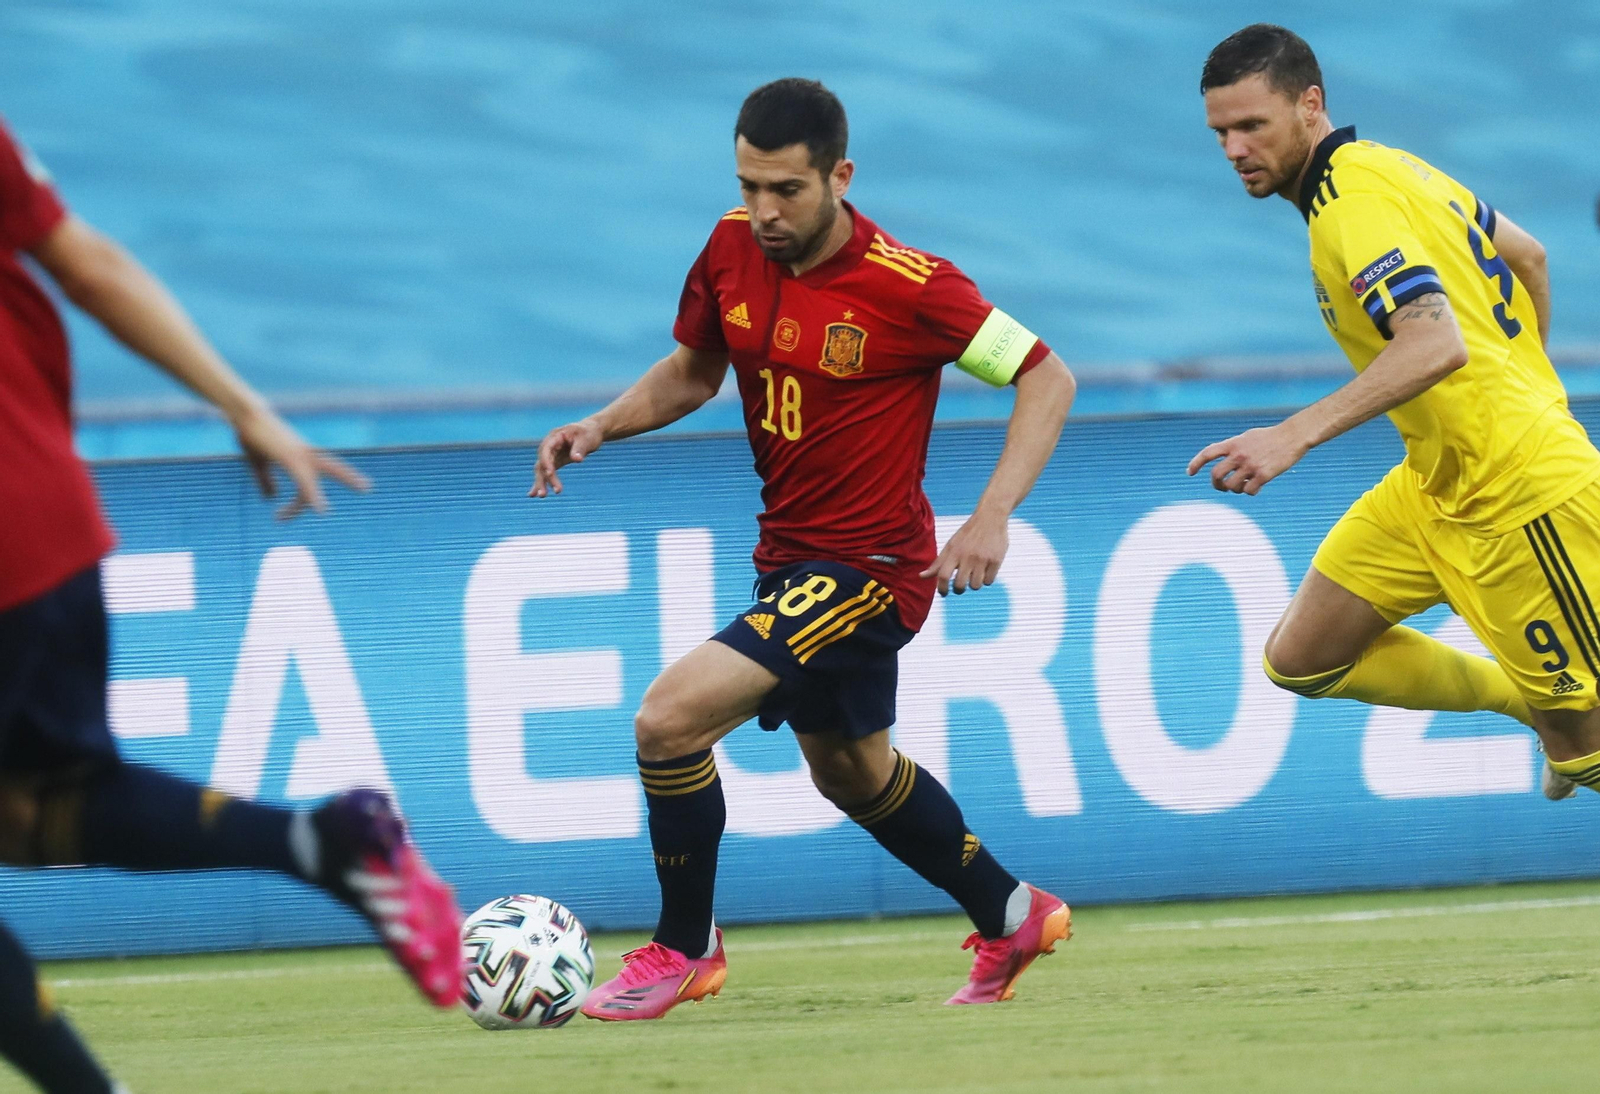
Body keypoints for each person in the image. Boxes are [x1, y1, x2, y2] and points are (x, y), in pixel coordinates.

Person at [532, 78, 1077, 1018]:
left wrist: (991, 517)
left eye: (785, 189)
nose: (763, 211)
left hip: (869, 571)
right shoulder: (728, 250)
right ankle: (1012, 910)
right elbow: (695, 373)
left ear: (840, 177)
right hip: (787, 559)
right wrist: (602, 426)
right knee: (852, 771)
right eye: (748, 186)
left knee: (667, 721)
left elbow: (1046, 377)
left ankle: (682, 948)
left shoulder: (914, 287)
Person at [0, 115, 462, 1093]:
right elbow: (90, 267)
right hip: (49, 518)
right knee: (41, 810)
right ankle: (318, 841)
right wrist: (243, 401)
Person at [1190, 24, 1600, 802]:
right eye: (1221, 133)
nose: (1235, 149)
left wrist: (1292, 434)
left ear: (1310, 105)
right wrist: (1528, 381)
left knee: (1586, 751)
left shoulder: (1354, 206)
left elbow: (1434, 343)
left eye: (1252, 125)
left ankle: (1560, 726)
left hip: (1521, 499)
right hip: (1434, 486)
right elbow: (1528, 255)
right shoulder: (1388, 166)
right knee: (1302, 657)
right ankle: (1526, 704)